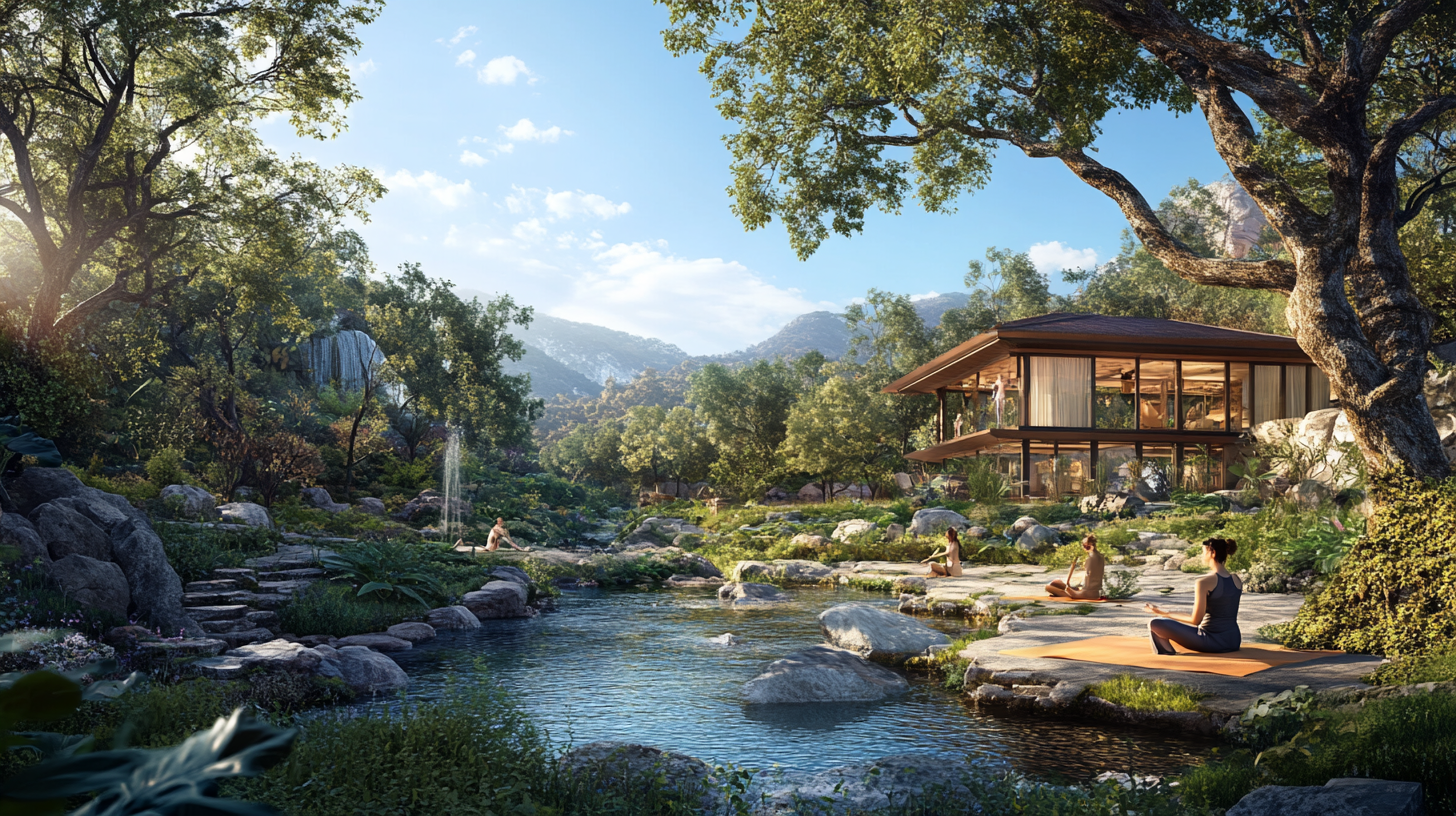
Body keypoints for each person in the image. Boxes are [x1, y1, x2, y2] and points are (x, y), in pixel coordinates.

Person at [1143, 537, 1242, 654]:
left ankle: (1167, 655)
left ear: (1212, 553)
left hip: (1212, 641)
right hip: (1234, 641)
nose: (1202, 556)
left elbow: (1195, 620)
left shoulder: (1204, 582)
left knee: (1155, 624)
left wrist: (1163, 613)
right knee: (1160, 622)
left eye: (1203, 552)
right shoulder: (1236, 579)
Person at [1044, 534, 1104, 599]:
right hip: (1095, 592)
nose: (1084, 548)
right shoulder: (1101, 557)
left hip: (1086, 594)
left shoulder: (1090, 558)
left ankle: (1067, 596)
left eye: (1085, 546)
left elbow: (1088, 574)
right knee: (1056, 582)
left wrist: (1072, 587)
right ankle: (1068, 592)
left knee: (1048, 587)